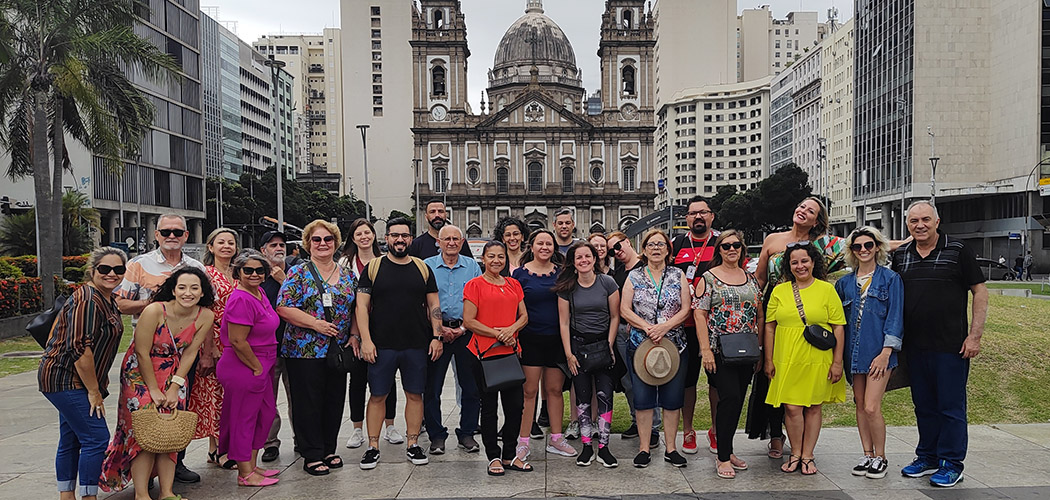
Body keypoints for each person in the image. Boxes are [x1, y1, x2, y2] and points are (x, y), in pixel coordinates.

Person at [893, 200, 988, 487]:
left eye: (925, 219)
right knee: (923, 405)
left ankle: (951, 462)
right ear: (907, 226)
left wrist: (975, 336)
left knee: (950, 406)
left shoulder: (958, 250)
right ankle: (928, 456)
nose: (919, 225)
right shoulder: (902, 255)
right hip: (914, 346)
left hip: (951, 346)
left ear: (937, 221)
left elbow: (980, 293)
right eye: (913, 221)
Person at [100, 267, 215, 497]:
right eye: (182, 287)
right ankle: (141, 493)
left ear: (202, 293)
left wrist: (175, 387)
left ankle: (167, 492)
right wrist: (152, 389)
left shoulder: (205, 316)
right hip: (139, 373)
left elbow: (191, 353)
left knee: (169, 428)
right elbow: (141, 352)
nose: (188, 293)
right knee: (143, 429)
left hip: (174, 370)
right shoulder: (154, 311)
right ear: (173, 290)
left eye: (194, 288)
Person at [748, 196, 845, 459]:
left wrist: (903, 242)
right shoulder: (772, 239)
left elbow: (862, 245)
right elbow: (759, 279)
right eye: (801, 206)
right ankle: (776, 435)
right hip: (775, 303)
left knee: (801, 383)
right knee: (774, 374)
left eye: (810, 210)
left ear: (817, 221)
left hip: (812, 308)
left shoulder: (824, 245)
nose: (802, 211)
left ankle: (803, 449)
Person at [114, 213, 204, 484]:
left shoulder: (195, 266)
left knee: (175, 409)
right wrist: (156, 305)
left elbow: (204, 309)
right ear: (157, 235)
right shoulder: (139, 265)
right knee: (142, 416)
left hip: (181, 352)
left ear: (186, 235)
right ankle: (142, 477)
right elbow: (120, 303)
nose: (172, 237)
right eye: (166, 232)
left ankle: (174, 468)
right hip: (147, 351)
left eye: (178, 232)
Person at [38, 248, 127, 500]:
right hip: (65, 377)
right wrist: (93, 390)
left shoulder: (107, 298)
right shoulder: (88, 298)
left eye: (118, 270)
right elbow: (80, 348)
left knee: (72, 438)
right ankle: (89, 496)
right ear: (92, 270)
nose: (111, 274)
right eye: (105, 269)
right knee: (96, 438)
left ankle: (67, 496)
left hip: (75, 378)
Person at [357, 218, 443, 470]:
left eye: (405, 236)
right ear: (386, 238)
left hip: (416, 344)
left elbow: (434, 306)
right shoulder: (373, 267)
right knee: (377, 395)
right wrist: (366, 340)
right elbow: (361, 307)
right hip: (381, 345)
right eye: (395, 235)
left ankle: (413, 444)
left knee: (415, 395)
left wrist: (437, 337)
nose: (400, 240)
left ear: (411, 239)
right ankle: (372, 447)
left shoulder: (422, 268)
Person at [276, 220, 357, 476]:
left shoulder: (347, 275)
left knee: (334, 400)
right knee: (307, 402)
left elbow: (357, 308)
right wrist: (316, 325)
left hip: (337, 348)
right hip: (304, 349)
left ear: (336, 243)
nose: (323, 244)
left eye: (328, 240)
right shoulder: (298, 272)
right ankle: (311, 453)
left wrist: (354, 335)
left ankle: (328, 448)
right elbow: (284, 307)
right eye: (317, 240)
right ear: (308, 244)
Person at [764, 241, 846, 476]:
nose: (800, 266)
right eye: (795, 262)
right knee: (791, 408)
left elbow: (838, 327)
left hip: (817, 357)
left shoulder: (826, 289)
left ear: (813, 262)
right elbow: (769, 327)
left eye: (804, 261)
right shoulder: (779, 290)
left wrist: (837, 362)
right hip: (786, 358)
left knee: (812, 407)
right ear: (788, 266)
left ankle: (808, 455)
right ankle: (795, 452)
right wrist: (768, 360)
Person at [692, 230, 763, 479]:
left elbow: (760, 314)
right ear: (718, 250)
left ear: (742, 249)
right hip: (720, 349)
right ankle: (722, 457)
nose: (731, 249)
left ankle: (728, 449)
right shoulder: (708, 278)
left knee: (737, 401)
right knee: (729, 398)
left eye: (736, 245)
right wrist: (705, 350)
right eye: (726, 246)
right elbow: (699, 314)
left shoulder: (751, 278)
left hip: (746, 349)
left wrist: (760, 347)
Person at [834, 226, 904, 480]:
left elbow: (895, 317)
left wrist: (886, 352)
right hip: (854, 354)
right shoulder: (844, 284)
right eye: (857, 246)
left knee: (873, 407)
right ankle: (867, 453)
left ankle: (881, 457)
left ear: (877, 247)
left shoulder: (890, 279)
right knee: (860, 406)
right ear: (852, 251)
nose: (863, 250)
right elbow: (838, 322)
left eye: (868, 245)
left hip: (879, 353)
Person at [620, 229, 693, 468]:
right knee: (643, 399)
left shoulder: (677, 274)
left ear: (668, 250)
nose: (656, 248)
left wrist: (665, 327)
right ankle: (643, 448)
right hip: (641, 346)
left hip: (674, 346)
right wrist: (648, 328)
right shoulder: (634, 276)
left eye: (661, 244)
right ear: (644, 249)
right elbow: (625, 309)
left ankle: (671, 448)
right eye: (651, 244)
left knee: (672, 399)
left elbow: (685, 308)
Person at [463, 241, 532, 476]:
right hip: (484, 354)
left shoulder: (514, 284)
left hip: (511, 352)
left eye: (500, 257)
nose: (496, 261)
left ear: (506, 259)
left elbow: (524, 316)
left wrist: (511, 331)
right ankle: (493, 455)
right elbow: (469, 321)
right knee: (489, 407)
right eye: (491, 256)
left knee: (515, 407)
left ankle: (510, 454)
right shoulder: (474, 285)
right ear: (483, 259)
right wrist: (499, 334)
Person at [216, 250, 281, 487]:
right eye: (248, 270)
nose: (254, 274)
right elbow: (237, 340)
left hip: (262, 362)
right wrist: (256, 367)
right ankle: (244, 472)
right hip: (245, 364)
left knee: (263, 415)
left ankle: (251, 465)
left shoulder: (259, 292)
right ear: (238, 272)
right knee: (245, 419)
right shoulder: (240, 298)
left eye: (259, 270)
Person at [556, 242, 621, 467]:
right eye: (578, 258)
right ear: (573, 263)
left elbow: (615, 316)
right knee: (582, 398)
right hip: (578, 346)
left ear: (595, 259)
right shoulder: (567, 287)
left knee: (605, 395)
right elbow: (563, 322)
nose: (583, 261)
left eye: (587, 256)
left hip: (603, 344)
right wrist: (568, 354)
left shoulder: (608, 282)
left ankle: (603, 446)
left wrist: (610, 345)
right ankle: (586, 445)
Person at [338, 218, 402, 449]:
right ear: (352, 238)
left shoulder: (385, 261)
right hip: (354, 327)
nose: (364, 237)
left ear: (374, 236)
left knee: (387, 378)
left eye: (368, 233)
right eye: (359, 234)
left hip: (383, 326)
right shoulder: (344, 263)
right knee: (357, 379)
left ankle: (390, 425)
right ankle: (357, 429)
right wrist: (355, 334)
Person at [512, 229, 575, 458]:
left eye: (549, 243)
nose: (545, 247)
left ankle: (556, 438)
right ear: (532, 246)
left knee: (554, 390)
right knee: (529, 392)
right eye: (540, 243)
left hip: (556, 340)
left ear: (554, 248)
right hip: (530, 340)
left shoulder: (562, 274)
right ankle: (524, 440)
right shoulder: (520, 275)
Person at [423, 224, 482, 454]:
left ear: (462, 241)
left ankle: (466, 433)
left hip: (465, 333)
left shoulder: (472, 266)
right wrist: (438, 331)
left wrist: (464, 327)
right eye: (446, 239)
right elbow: (422, 301)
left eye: (456, 239)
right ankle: (436, 435)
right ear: (438, 241)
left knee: (470, 386)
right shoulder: (427, 266)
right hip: (436, 334)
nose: (451, 243)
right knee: (432, 387)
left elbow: (479, 301)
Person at [670, 195, 721, 455]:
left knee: (716, 382)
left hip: (716, 326)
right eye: (693, 213)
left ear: (711, 216)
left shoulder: (722, 243)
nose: (698, 217)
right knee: (687, 382)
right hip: (685, 325)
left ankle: (715, 429)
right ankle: (688, 430)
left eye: (703, 212)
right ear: (687, 218)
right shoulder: (676, 244)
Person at [190, 227, 238, 468]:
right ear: (211, 247)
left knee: (232, 394)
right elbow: (205, 311)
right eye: (221, 242)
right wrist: (209, 350)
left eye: (231, 242)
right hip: (214, 338)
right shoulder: (206, 274)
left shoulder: (239, 273)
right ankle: (216, 448)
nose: (227, 246)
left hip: (238, 340)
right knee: (214, 394)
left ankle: (228, 444)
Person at [607, 232, 660, 442]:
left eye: (618, 246)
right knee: (628, 380)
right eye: (612, 251)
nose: (616, 252)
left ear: (628, 241)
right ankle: (636, 420)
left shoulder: (647, 267)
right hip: (622, 331)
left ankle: (653, 427)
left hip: (644, 331)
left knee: (647, 378)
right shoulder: (619, 273)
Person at [258, 231, 293, 462]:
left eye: (282, 245)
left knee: (298, 397)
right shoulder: (255, 274)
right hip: (266, 347)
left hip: (294, 345)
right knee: (268, 398)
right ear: (264, 250)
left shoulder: (295, 273)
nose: (278, 248)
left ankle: (303, 439)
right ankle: (270, 442)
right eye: (273, 245)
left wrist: (283, 280)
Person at [409, 199, 474, 260]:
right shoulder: (416, 244)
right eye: (432, 212)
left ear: (445, 215)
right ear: (426, 217)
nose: (437, 215)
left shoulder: (458, 242)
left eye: (440, 211)